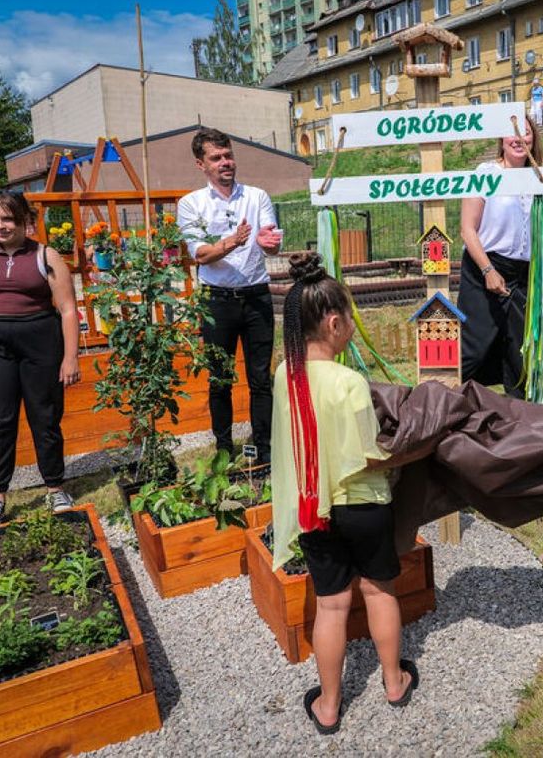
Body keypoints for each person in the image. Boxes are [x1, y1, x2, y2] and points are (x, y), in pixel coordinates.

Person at [270, 256, 416, 735]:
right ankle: (394, 682)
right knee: (379, 591)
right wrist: (409, 452)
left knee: (331, 605)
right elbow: (368, 456)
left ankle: (329, 705)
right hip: (365, 507)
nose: (353, 323)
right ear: (334, 323)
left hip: (314, 509)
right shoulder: (351, 383)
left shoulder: (284, 376)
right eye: (350, 316)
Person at [0, 190, 81, 527]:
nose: (0, 225)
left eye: (8, 219)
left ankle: (55, 488)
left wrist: (70, 357)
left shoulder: (46, 255)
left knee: (45, 417)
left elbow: (68, 310)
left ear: (25, 220)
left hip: (41, 344)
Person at [177, 127, 282, 464]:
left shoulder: (257, 196)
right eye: (216, 158)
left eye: (228, 155)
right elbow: (201, 254)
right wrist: (233, 241)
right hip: (217, 301)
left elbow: (269, 239)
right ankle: (224, 449)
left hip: (256, 297)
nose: (225, 162)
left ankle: (264, 449)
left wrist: (268, 243)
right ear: (201, 164)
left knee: (260, 379)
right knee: (220, 380)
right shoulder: (191, 204)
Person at [458, 115, 543, 398]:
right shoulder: (485, 172)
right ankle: (448, 400)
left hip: (523, 273)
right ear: (501, 139)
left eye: (526, 132)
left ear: (534, 137)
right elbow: (467, 230)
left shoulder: (539, 176)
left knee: (518, 350)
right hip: (484, 267)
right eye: (513, 133)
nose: (520, 139)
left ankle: (518, 411)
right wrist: (488, 271)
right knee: (474, 346)